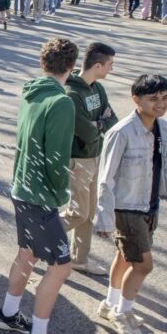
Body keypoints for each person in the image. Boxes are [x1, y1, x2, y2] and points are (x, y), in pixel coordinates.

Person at [95, 74, 167, 334]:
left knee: (125, 257)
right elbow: (106, 180)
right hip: (127, 208)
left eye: (165, 97)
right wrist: (104, 219)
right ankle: (123, 313)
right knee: (143, 265)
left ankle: (110, 304)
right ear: (136, 99)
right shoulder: (121, 132)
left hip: (150, 205)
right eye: (153, 98)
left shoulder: (165, 129)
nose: (160, 103)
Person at [0, 38, 79, 334]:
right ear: (71, 67)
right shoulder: (62, 102)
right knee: (61, 267)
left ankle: (8, 313)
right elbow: (57, 156)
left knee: (27, 254)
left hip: (22, 188)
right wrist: (61, 195)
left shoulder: (31, 92)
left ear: (43, 64)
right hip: (40, 195)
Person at [60, 42, 118, 276]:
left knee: (88, 214)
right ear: (97, 66)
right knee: (78, 213)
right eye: (110, 64)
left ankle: (79, 260)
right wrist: (99, 124)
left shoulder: (98, 89)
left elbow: (112, 121)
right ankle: (40, 234)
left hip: (95, 156)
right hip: (78, 160)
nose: (112, 69)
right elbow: (87, 132)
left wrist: (99, 124)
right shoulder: (72, 93)